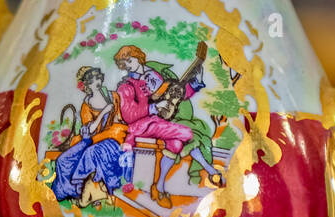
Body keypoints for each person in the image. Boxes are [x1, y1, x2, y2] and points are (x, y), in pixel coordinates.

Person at [113, 44, 222, 205]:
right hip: (140, 126)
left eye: (131, 60)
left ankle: (159, 187)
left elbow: (172, 95)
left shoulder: (153, 75)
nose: (129, 65)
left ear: (138, 56)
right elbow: (130, 115)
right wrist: (152, 107)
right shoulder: (126, 86)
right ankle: (211, 170)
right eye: (125, 64)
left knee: (177, 144)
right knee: (186, 133)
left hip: (158, 122)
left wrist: (195, 84)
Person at [51, 66, 131, 207]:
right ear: (87, 85)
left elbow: (119, 120)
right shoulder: (86, 106)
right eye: (92, 80)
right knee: (64, 160)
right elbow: (91, 130)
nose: (97, 82)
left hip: (113, 136)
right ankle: (68, 191)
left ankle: (80, 187)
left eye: (98, 78)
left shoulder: (113, 96)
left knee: (90, 153)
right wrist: (103, 112)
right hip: (93, 138)